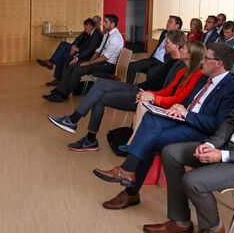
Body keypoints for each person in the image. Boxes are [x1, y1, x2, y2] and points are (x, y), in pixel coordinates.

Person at [92, 43, 234, 210]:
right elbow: (186, 101)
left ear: (219, 63)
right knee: (149, 119)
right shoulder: (203, 79)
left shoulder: (232, 89)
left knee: (150, 140)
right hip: (183, 120)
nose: (202, 61)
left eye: (207, 58)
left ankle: (130, 186)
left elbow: (217, 125)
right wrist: (176, 109)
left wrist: (186, 114)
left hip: (199, 132)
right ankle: (128, 179)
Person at [143, 38, 234, 233]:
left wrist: (222, 155)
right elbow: (230, 122)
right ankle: (180, 222)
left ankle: (213, 228)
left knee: (193, 181)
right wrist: (211, 144)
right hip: (228, 148)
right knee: (171, 152)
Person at [47, 31, 188, 151]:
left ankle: (84, 133)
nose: (164, 44)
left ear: (177, 46)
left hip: (144, 96)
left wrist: (149, 95)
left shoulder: (179, 65)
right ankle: (74, 121)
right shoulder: (169, 59)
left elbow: (168, 91)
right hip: (140, 88)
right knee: (101, 84)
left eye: (167, 43)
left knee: (100, 97)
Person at [127, 40, 206, 145]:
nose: (181, 49)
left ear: (190, 55)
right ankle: (134, 141)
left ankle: (133, 142)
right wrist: (149, 94)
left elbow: (180, 99)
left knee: (142, 105)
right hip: (170, 103)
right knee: (142, 102)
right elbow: (169, 90)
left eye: (184, 48)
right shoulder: (183, 71)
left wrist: (153, 98)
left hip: (176, 109)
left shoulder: (197, 75)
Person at [43, 14, 123, 102]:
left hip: (107, 66)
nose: (103, 24)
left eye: (106, 22)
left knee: (78, 70)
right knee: (72, 66)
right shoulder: (107, 35)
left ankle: (62, 95)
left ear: (112, 24)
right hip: (100, 62)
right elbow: (98, 50)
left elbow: (105, 57)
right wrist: (90, 61)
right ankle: (58, 91)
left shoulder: (115, 38)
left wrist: (89, 63)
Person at [37, 18, 103, 86]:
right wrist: (73, 46)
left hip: (85, 54)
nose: (94, 23)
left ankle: (52, 64)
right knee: (62, 54)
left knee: (63, 47)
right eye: (93, 21)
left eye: (95, 22)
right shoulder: (88, 31)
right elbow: (78, 39)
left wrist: (77, 53)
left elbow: (90, 50)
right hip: (78, 50)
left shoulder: (97, 34)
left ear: (98, 24)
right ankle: (57, 77)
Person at [127, 16, 183, 84]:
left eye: (170, 22)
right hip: (153, 59)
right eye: (167, 21)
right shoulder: (164, 33)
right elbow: (158, 47)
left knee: (151, 73)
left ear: (177, 25)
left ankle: (146, 92)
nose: (167, 23)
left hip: (163, 62)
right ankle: (128, 87)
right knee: (132, 66)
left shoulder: (179, 37)